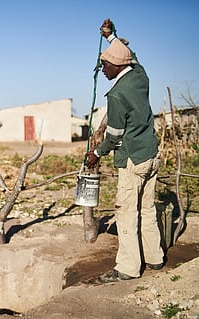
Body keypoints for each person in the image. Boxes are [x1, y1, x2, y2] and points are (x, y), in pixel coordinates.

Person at [85, 19, 164, 283]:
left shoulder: (117, 95)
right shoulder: (140, 75)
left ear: (118, 65)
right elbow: (133, 56)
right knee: (148, 209)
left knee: (127, 213)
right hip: (151, 155)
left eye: (105, 64)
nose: (103, 69)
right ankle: (155, 258)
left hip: (132, 160)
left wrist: (97, 152)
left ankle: (128, 268)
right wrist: (111, 37)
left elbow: (114, 134)